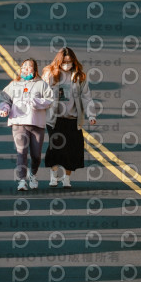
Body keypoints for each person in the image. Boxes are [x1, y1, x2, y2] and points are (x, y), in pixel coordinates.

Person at [42, 47, 97, 189]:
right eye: (64, 62)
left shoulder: (79, 76)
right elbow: (41, 93)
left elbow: (86, 97)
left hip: (72, 119)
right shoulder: (50, 74)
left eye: (69, 62)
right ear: (58, 62)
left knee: (73, 149)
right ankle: (54, 175)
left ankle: (66, 178)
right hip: (55, 118)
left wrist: (91, 114)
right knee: (56, 147)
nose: (67, 65)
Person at [0, 59, 54, 191]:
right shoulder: (14, 84)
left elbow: (50, 100)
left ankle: (33, 174)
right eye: (24, 67)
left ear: (35, 70)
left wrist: (36, 102)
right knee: (21, 152)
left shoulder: (41, 84)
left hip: (36, 123)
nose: (26, 69)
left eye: (29, 67)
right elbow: (5, 98)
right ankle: (22, 180)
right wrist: (5, 108)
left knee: (36, 155)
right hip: (18, 123)